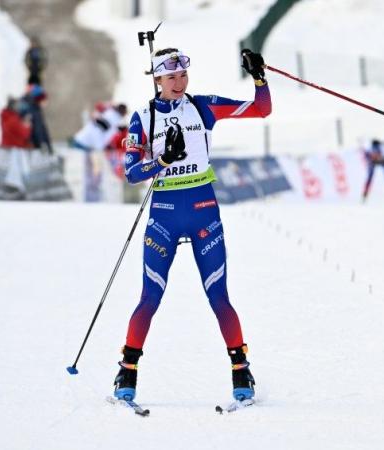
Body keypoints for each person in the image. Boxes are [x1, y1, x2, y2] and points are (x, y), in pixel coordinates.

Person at [111, 48, 271, 403]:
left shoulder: (203, 107)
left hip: (203, 212)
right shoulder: (143, 117)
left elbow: (262, 109)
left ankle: (241, 371)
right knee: (149, 297)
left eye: (183, 75)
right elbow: (132, 172)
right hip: (164, 214)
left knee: (219, 297)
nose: (179, 83)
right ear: (156, 79)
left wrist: (259, 78)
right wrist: (164, 160)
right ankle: (127, 372)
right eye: (171, 77)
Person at [24, 84, 53, 154]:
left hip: (35, 148)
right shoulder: (33, 112)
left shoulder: (36, 110)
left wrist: (49, 146)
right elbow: (38, 131)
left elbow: (43, 130)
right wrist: (43, 145)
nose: (46, 102)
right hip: (33, 149)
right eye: (44, 99)